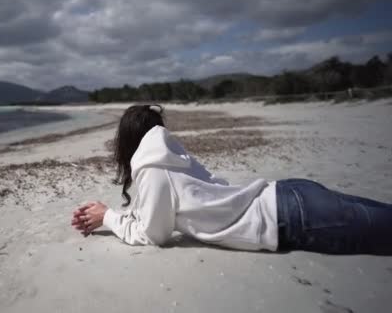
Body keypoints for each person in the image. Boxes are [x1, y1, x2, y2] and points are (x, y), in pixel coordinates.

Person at [71, 104, 392, 255]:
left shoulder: (154, 170)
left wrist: (109, 218)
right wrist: (108, 213)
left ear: (128, 141)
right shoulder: (169, 157)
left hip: (289, 217)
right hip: (289, 196)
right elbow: (151, 212)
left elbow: (153, 234)